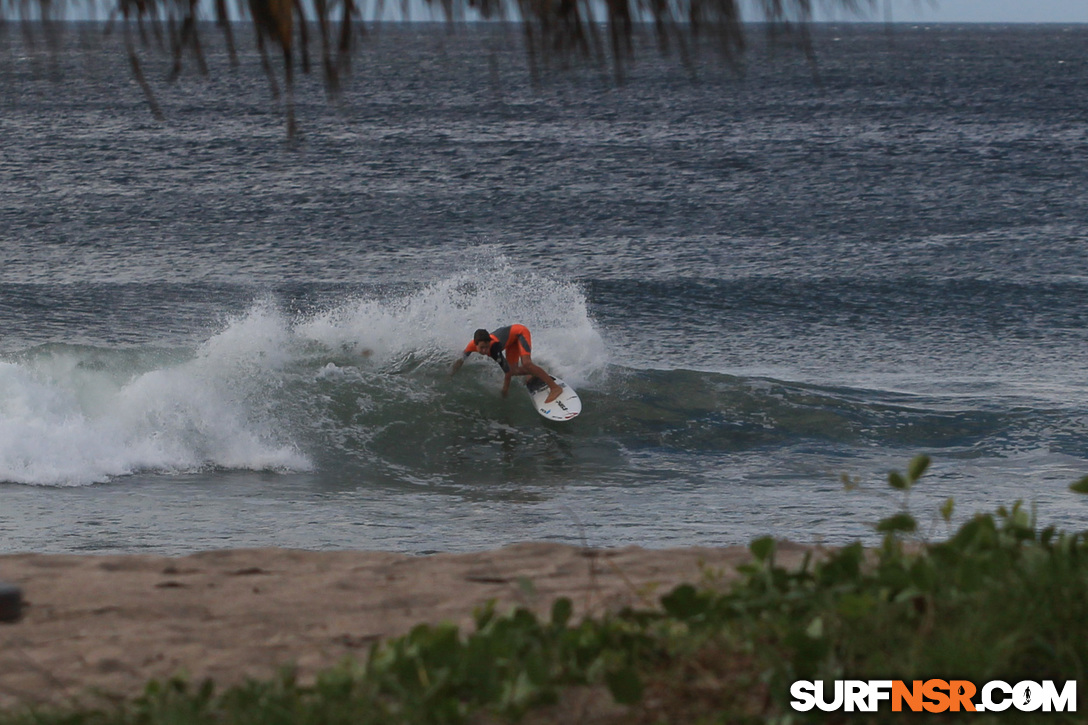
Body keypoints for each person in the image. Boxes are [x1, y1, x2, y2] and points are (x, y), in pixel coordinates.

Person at [450, 324, 564, 403]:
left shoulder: (493, 348)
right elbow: (461, 360)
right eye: (482, 348)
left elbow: (507, 372)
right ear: (475, 344)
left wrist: (505, 390)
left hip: (520, 333)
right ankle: (534, 373)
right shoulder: (471, 346)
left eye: (486, 347)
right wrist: (451, 373)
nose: (485, 351)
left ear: (490, 343)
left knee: (526, 364)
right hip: (511, 341)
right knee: (514, 370)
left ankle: (555, 388)